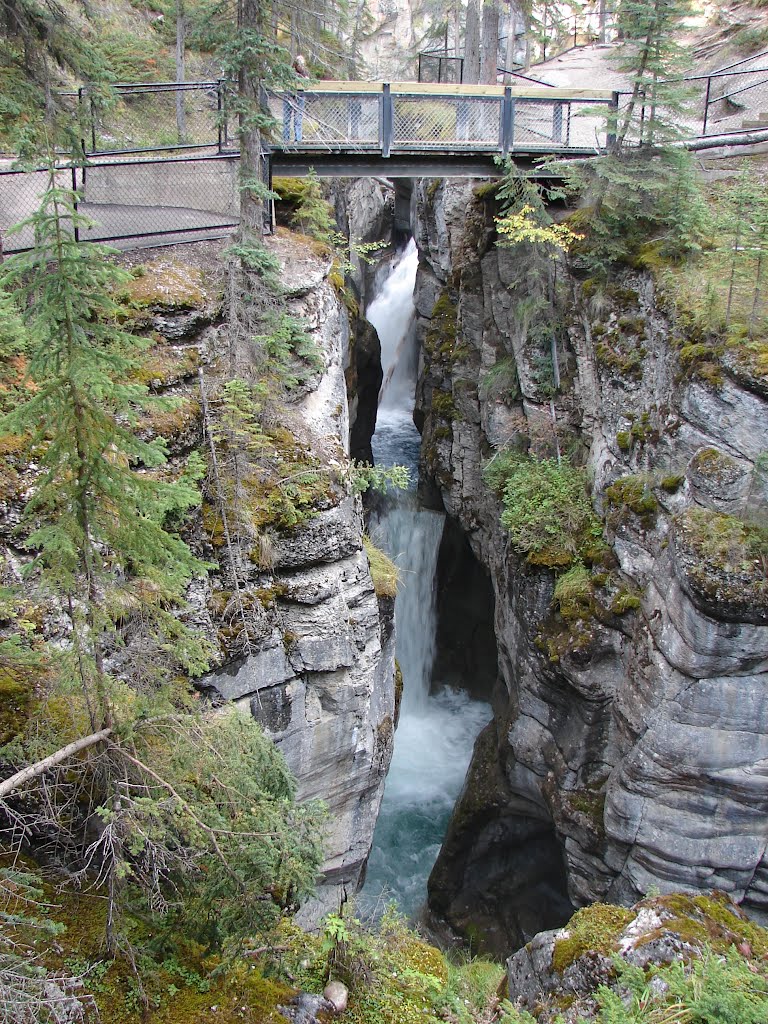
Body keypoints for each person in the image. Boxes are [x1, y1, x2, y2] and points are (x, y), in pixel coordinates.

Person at [283, 53, 309, 143]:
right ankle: (285, 139)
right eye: (299, 64)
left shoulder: (305, 73)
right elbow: (286, 82)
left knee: (298, 119)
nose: (301, 66)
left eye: (302, 65)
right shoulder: (290, 72)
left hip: (300, 96)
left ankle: (298, 139)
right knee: (286, 118)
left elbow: (307, 84)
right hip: (288, 95)